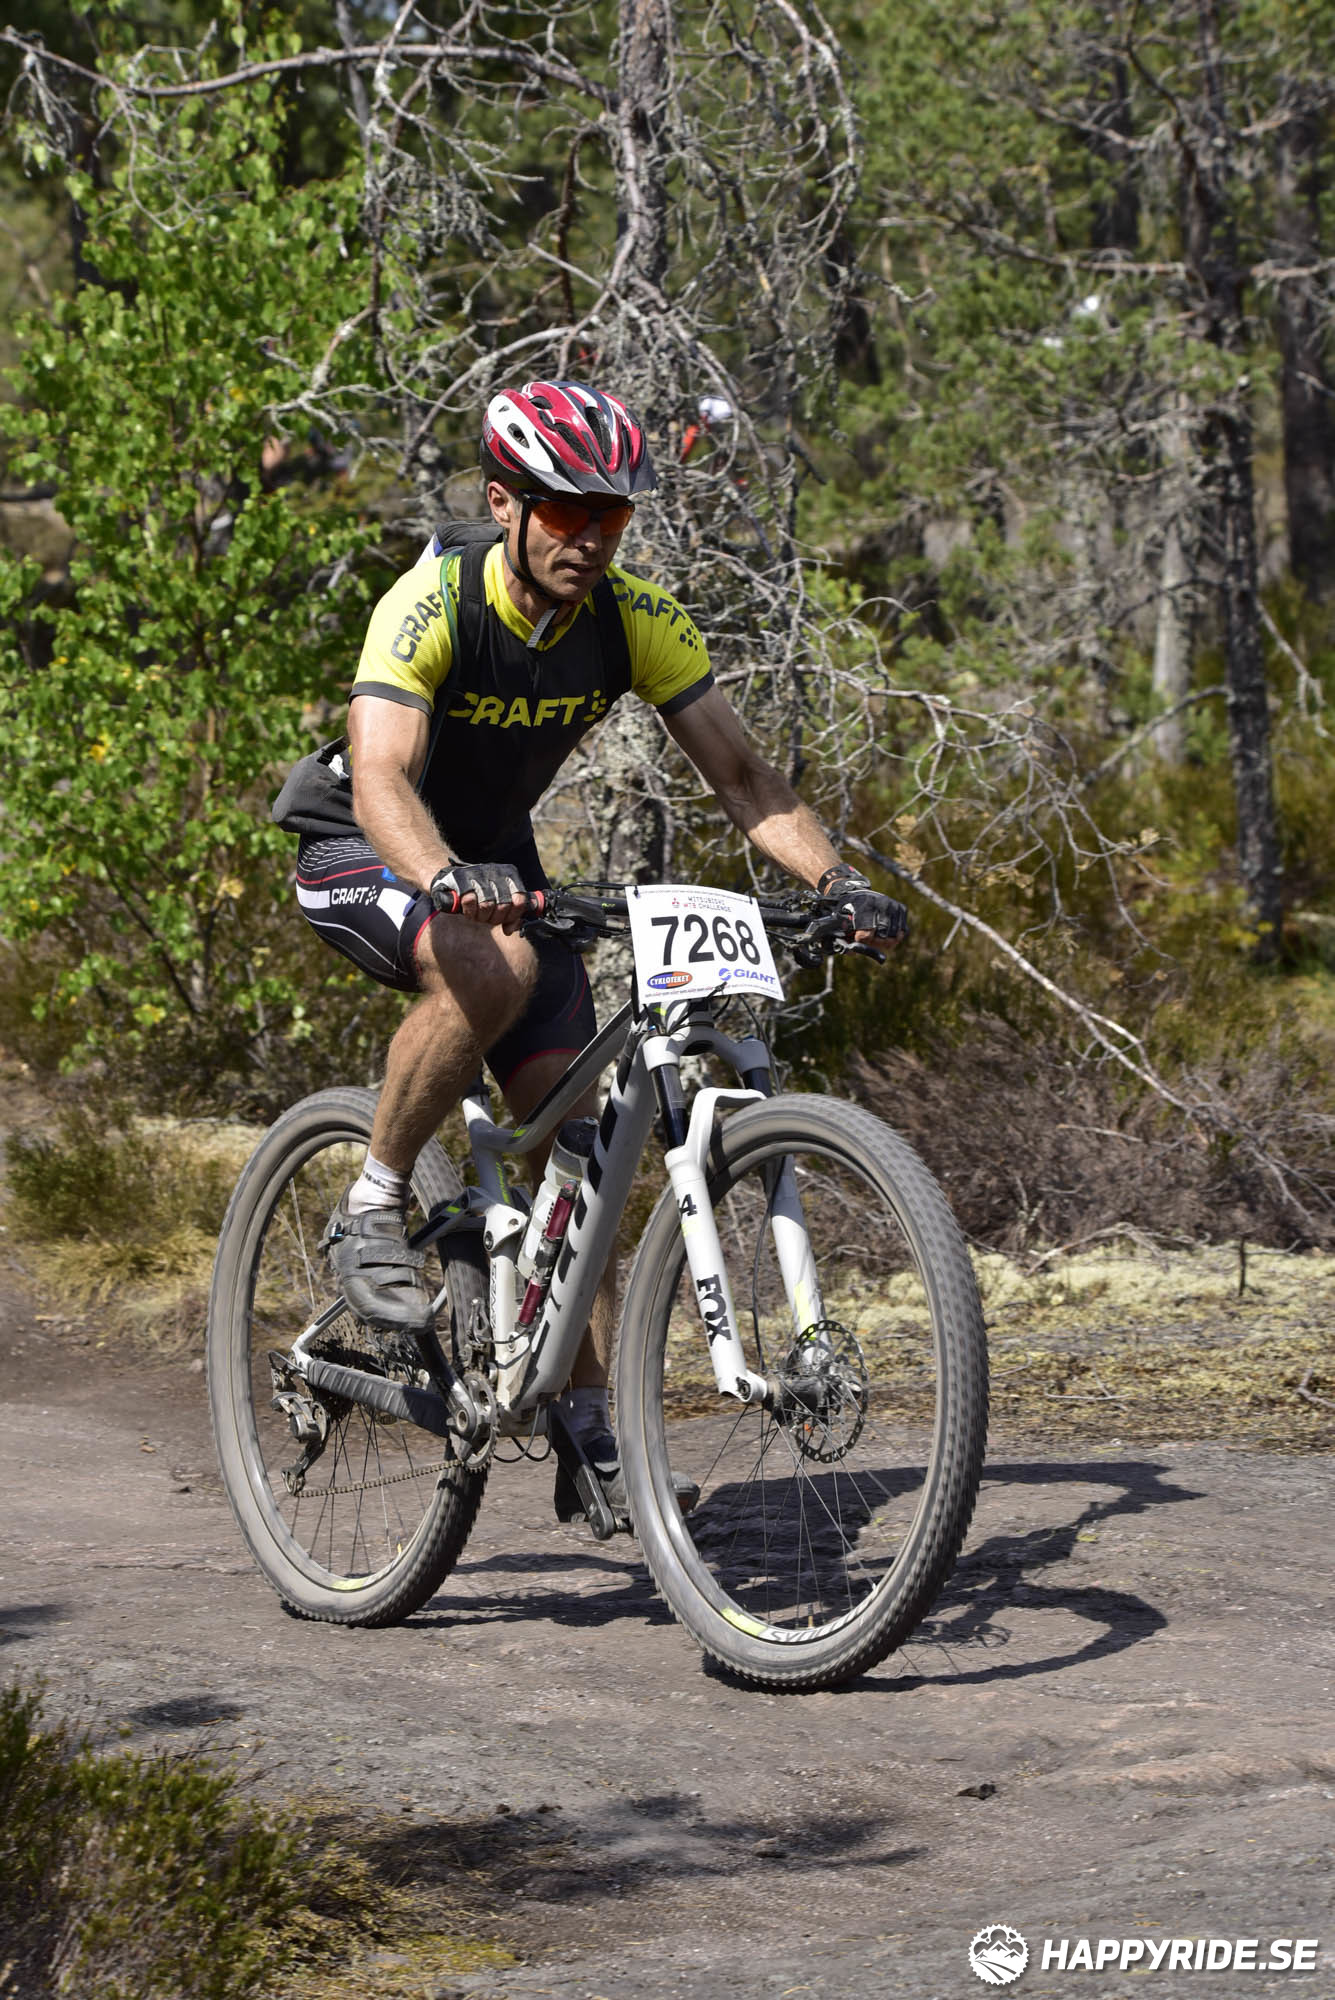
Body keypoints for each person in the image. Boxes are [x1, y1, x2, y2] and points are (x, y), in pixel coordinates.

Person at [289, 378, 906, 1519]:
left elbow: (744, 776)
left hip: (492, 865)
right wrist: (444, 877)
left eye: (611, 515)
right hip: (363, 842)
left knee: (580, 1151)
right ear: (503, 503)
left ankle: (585, 1422)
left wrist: (839, 882)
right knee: (498, 965)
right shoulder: (431, 602)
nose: (591, 536)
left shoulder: (634, 621)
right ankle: (373, 1200)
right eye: (567, 510)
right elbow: (380, 778)